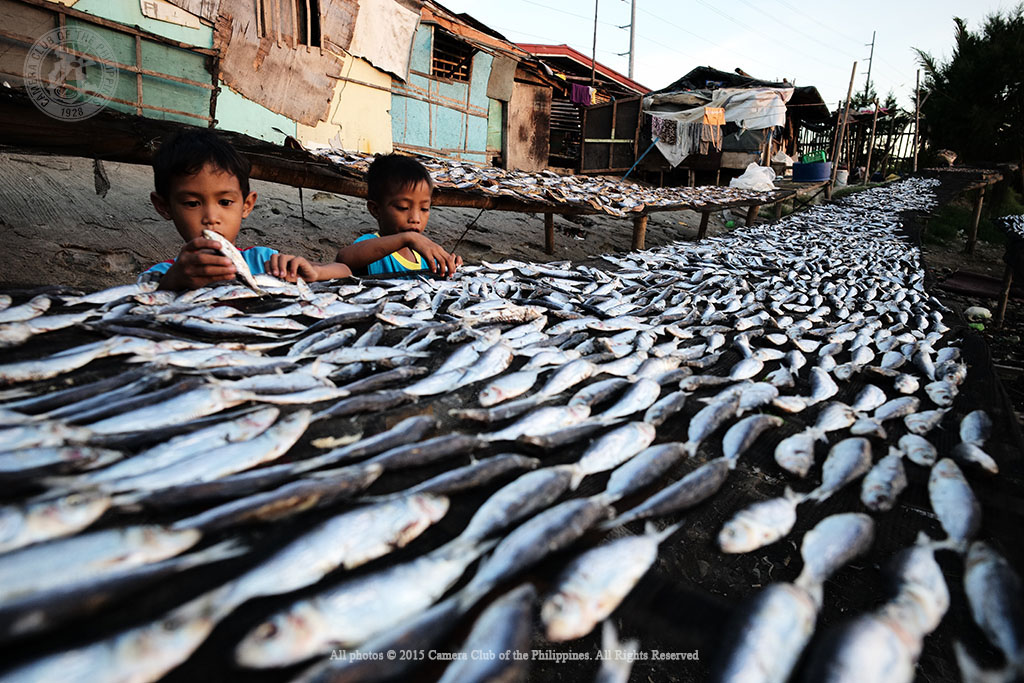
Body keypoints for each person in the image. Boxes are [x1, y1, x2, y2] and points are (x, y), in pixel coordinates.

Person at [143, 128, 351, 290]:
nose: (211, 218)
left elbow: (343, 270)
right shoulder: (163, 275)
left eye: (225, 202)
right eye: (192, 203)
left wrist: (313, 273)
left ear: (247, 205)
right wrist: (170, 285)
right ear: (164, 207)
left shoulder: (263, 261)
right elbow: (135, 306)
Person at [335, 154, 462, 278]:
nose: (415, 219)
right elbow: (344, 258)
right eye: (403, 207)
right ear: (375, 210)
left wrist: (449, 266)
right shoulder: (370, 244)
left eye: (424, 209)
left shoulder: (425, 254)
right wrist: (407, 238)